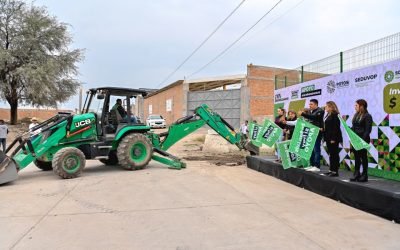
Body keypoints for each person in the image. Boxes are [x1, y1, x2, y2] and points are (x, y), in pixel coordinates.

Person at [350, 99, 372, 182]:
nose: (355, 107)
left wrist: (362, 141)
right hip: (355, 140)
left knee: (363, 157)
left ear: (361, 106)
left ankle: (364, 174)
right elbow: (354, 127)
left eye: (356, 105)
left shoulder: (367, 116)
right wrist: (349, 129)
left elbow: (368, 130)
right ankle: (356, 173)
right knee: (356, 157)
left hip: (362, 140)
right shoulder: (356, 115)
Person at [298, 99, 324, 171]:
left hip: (317, 132)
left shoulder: (320, 111)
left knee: (316, 149)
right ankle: (312, 165)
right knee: (311, 149)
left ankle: (317, 166)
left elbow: (314, 117)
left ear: (316, 104)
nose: (310, 106)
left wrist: (303, 114)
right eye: (309, 104)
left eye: (311, 104)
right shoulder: (312, 111)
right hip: (312, 132)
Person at [323, 101, 343, 177]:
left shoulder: (335, 115)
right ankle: (331, 170)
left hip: (333, 138)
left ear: (331, 107)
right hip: (328, 137)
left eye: (327, 106)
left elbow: (336, 127)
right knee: (331, 154)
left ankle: (335, 171)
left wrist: (333, 138)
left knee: (334, 154)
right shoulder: (328, 114)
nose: (325, 108)